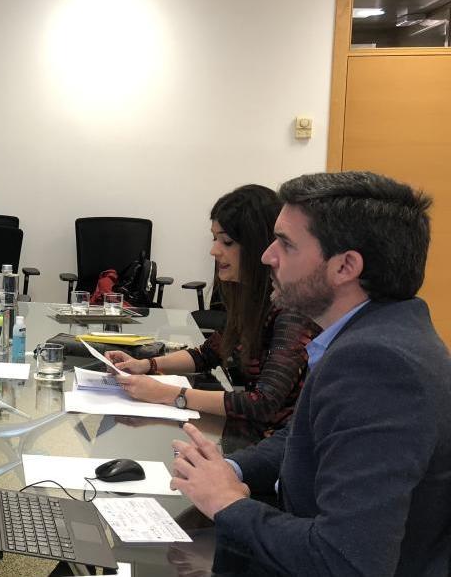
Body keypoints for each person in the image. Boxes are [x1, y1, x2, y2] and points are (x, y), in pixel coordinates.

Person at [169, 171, 451, 577]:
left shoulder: (380, 365)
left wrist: (228, 504)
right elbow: (305, 435)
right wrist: (230, 470)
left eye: (285, 243)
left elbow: (345, 561)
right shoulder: (376, 333)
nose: (267, 255)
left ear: (345, 266)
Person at [107, 184, 321, 439]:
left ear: (259, 246)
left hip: (277, 447)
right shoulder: (251, 301)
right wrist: (146, 365)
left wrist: (167, 394)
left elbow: (262, 402)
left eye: (227, 241)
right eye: (214, 238)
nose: (214, 250)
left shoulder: (291, 311)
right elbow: (209, 353)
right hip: (251, 436)